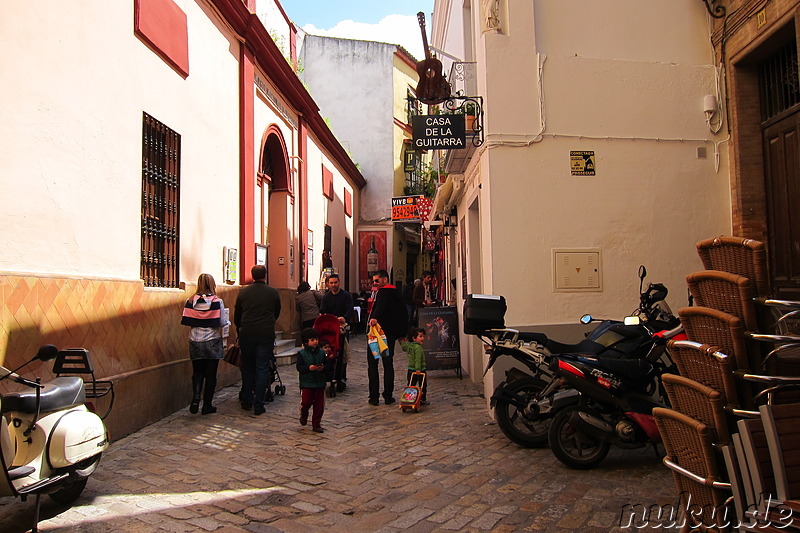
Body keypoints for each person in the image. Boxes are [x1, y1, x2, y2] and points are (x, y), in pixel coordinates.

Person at [234, 264, 282, 415]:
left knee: (247, 367)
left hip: (247, 333)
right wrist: (268, 323)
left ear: (252, 276)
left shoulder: (243, 292)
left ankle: (247, 400)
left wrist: (241, 327)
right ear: (265, 276)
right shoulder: (273, 292)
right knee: (261, 368)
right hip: (265, 334)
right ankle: (259, 404)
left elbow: (237, 315)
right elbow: (277, 311)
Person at [181, 273, 229, 415]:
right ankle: (207, 405)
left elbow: (187, 319)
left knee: (197, 372)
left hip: (195, 340)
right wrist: (228, 323)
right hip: (212, 341)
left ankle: (196, 396)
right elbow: (221, 322)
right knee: (211, 375)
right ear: (212, 284)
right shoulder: (216, 301)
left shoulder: (190, 300)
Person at [366, 269, 408, 405]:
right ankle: (388, 396)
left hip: (377, 335)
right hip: (390, 335)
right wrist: (401, 333)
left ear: (385, 279)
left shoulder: (384, 292)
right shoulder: (396, 293)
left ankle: (374, 397)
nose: (375, 283)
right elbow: (403, 314)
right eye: (373, 281)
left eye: (377, 280)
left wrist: (374, 318)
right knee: (388, 365)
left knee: (373, 365)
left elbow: (380, 307)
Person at [296, 328, 327, 433]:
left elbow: (328, 365)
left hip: (319, 382)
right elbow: (299, 367)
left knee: (319, 406)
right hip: (307, 383)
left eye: (316, 339)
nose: (315, 342)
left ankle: (316, 424)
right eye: (312, 340)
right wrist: (309, 368)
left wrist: (322, 368)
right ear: (306, 342)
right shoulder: (302, 354)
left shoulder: (322, 353)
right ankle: (303, 414)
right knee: (306, 402)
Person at [400, 327, 428, 405]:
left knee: (411, 385)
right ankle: (422, 399)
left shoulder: (410, 346)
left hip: (410, 369)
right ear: (414, 338)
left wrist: (402, 342)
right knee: (422, 386)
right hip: (419, 370)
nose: (423, 338)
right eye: (421, 336)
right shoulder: (418, 348)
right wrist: (418, 369)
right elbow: (418, 360)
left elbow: (404, 348)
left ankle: (409, 399)